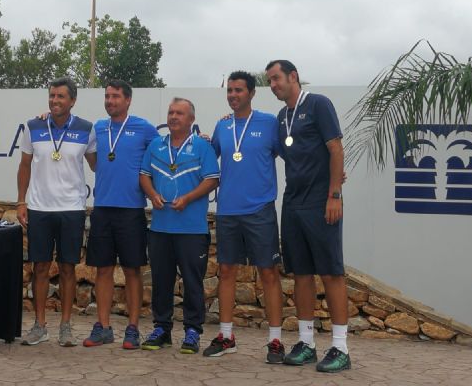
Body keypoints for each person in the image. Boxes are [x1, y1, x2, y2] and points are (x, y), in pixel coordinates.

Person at [266, 59, 351, 373]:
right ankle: (306, 343)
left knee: (331, 273)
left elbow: (336, 149)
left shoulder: (318, 104)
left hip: (321, 201)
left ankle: (341, 348)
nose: (273, 85)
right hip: (293, 203)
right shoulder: (281, 117)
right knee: (301, 274)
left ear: (293, 76)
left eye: (276, 78)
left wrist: (334, 194)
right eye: (269, 81)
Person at [203, 71, 287, 364]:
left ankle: (275, 340)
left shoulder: (269, 123)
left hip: (260, 210)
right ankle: (226, 336)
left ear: (252, 93)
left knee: (268, 274)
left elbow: (293, 156)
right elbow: (208, 158)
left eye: (238, 90)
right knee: (226, 272)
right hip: (227, 210)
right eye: (230, 90)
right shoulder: (222, 125)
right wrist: (202, 141)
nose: (233, 95)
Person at [17, 77, 96, 346]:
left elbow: (97, 165)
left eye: (61, 96)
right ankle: (40, 326)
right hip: (39, 207)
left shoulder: (86, 129)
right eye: (52, 96)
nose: (54, 101)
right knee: (39, 267)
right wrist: (21, 202)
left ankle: (65, 326)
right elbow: (24, 165)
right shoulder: (33, 126)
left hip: (71, 208)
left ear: (72, 100)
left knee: (67, 268)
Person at [139, 98, 219, 354]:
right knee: (161, 281)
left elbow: (212, 180)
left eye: (179, 113)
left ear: (191, 119)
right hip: (160, 228)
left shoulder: (202, 147)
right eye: (171, 112)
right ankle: (161, 329)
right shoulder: (156, 145)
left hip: (192, 229)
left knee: (193, 283)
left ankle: (193, 331)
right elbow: (144, 175)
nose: (173, 117)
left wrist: (188, 198)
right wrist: (152, 194)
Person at [83, 79, 159, 349]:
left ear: (128, 100)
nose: (110, 101)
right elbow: (92, 160)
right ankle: (103, 327)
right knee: (103, 270)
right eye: (107, 96)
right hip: (103, 208)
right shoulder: (98, 128)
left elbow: (166, 149)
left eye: (115, 96)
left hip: (131, 209)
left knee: (132, 270)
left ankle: (133, 328)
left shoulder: (144, 127)